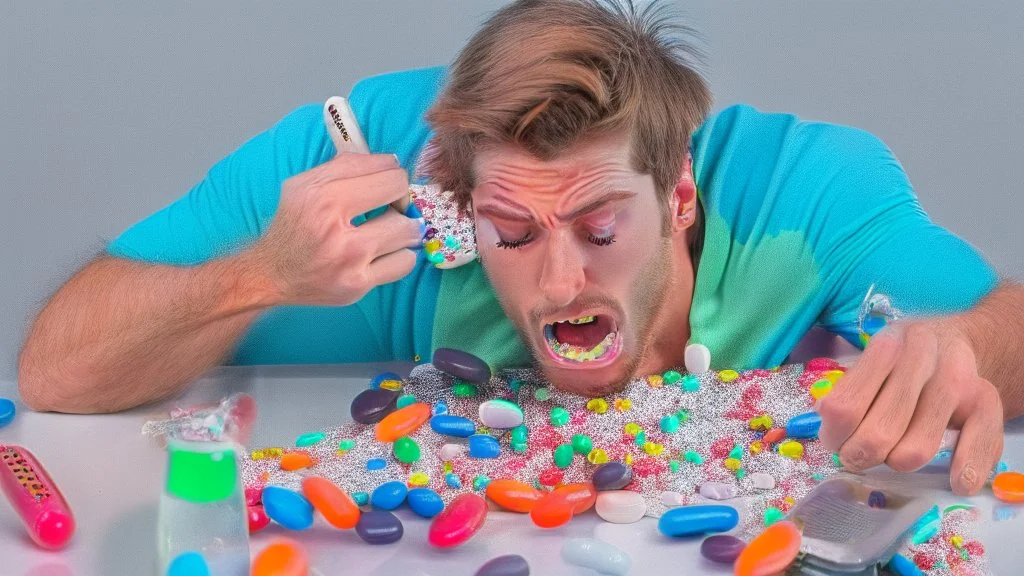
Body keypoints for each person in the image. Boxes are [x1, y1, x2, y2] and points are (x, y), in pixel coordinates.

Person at [17, 0, 1023, 495]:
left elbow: (1004, 328)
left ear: (677, 194)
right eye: (509, 231)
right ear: (455, 209)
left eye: (598, 226)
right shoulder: (370, 173)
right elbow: (57, 369)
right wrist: (260, 276)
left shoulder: (803, 193)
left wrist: (964, 350)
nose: (560, 279)